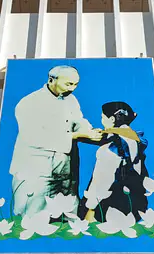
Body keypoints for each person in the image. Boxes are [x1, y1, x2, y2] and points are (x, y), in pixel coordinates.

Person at [9, 65, 102, 217]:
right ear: (51, 80)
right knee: (33, 214)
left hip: (65, 168)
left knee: (67, 215)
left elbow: (78, 120)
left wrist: (89, 131)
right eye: (68, 84)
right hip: (36, 169)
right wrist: (77, 135)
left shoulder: (71, 100)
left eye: (75, 84)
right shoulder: (30, 102)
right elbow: (33, 135)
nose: (72, 88)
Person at [82, 101, 149, 222]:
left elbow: (102, 181)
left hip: (111, 208)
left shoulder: (111, 148)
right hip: (137, 205)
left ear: (112, 119)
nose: (102, 122)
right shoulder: (136, 140)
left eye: (103, 118)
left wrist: (91, 209)